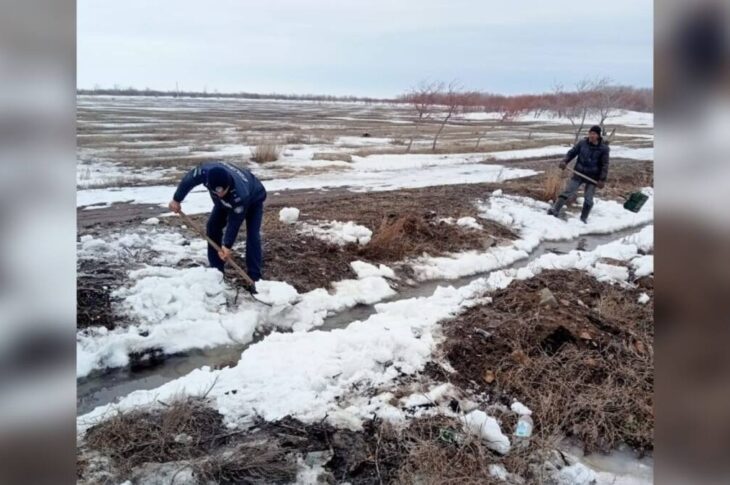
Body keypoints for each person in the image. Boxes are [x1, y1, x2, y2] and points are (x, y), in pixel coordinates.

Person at [168, 161, 267, 291]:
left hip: (254, 197)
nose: (219, 194)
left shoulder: (240, 195)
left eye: (222, 191)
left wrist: (227, 246)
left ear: (228, 186)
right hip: (226, 201)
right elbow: (188, 181)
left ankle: (255, 279)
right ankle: (216, 272)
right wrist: (177, 199)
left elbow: (235, 221)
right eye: (216, 192)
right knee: (212, 227)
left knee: (252, 235)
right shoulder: (204, 173)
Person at [548, 125, 610, 223]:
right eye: (590, 133)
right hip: (579, 173)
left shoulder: (604, 149)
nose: (591, 135)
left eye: (594, 134)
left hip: (593, 177)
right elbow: (572, 153)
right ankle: (555, 210)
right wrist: (565, 161)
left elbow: (605, 165)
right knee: (567, 192)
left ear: (598, 135)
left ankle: (583, 218)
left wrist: (602, 179)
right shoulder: (582, 143)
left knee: (588, 199)